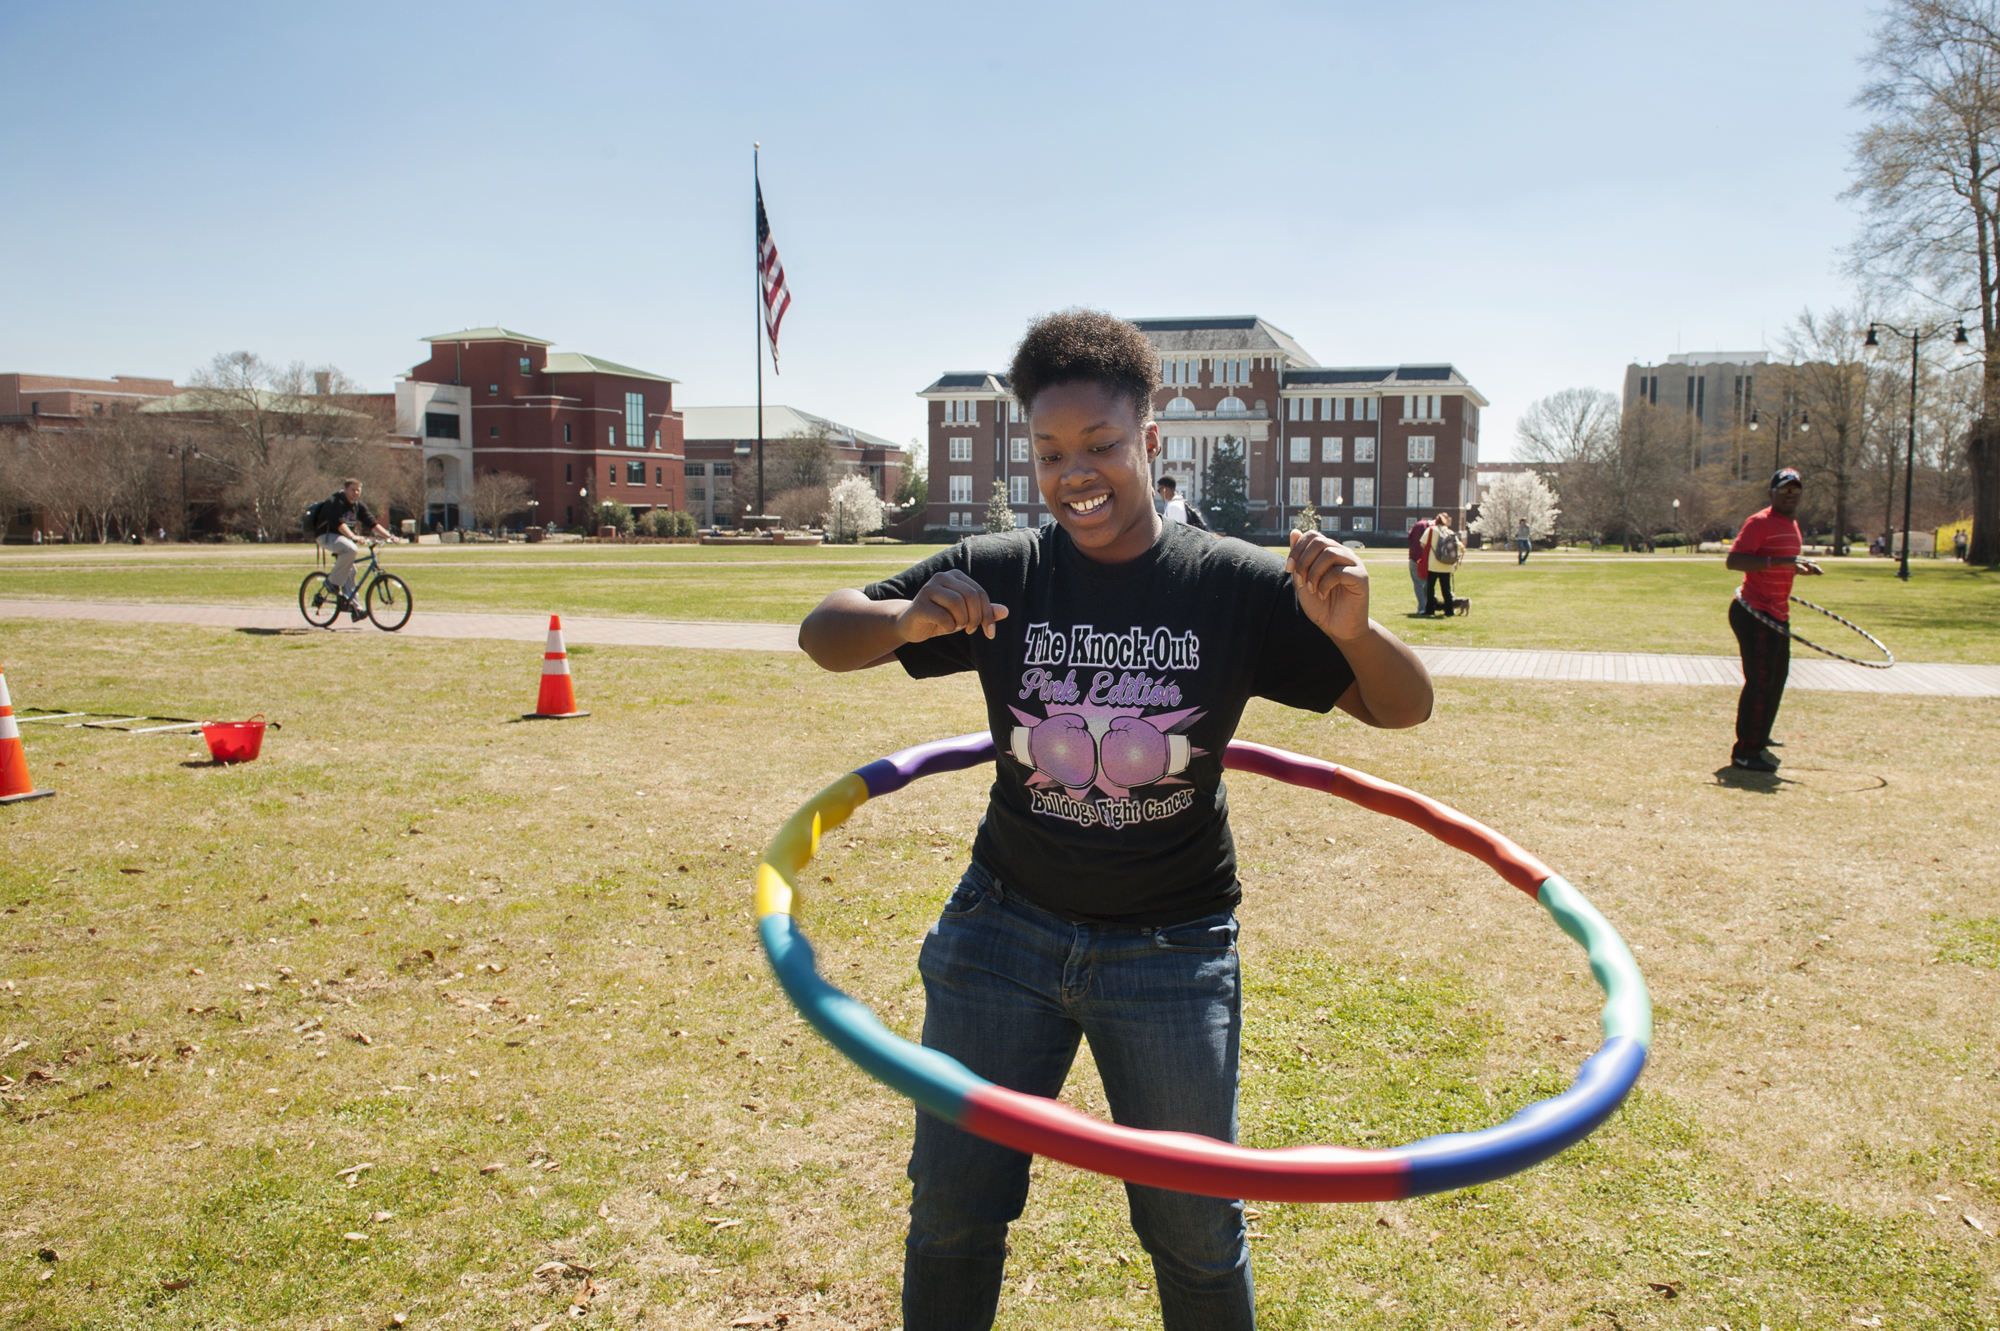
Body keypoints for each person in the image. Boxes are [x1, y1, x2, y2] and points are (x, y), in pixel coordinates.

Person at [798, 310, 1434, 1331]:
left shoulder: (1228, 583)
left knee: (1193, 1229)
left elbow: (1401, 705)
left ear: (1149, 442)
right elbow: (824, 631)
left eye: (1099, 444)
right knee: (952, 1213)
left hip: (1172, 949)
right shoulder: (1000, 575)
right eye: (1049, 451)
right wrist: (905, 619)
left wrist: (1357, 632)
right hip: (999, 933)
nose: (1073, 472)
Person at [1724, 468, 1821, 772]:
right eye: (1784, 489)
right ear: (1771, 493)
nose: (1790, 494)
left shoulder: (1792, 525)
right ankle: (1745, 752)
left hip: (1778, 612)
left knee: (1777, 679)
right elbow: (1735, 560)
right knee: (1760, 682)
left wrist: (1797, 568)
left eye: (1796, 490)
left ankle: (1760, 736)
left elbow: (1781, 562)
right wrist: (1779, 561)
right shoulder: (1760, 522)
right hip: (1755, 612)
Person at [317, 478, 398, 621]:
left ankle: (355, 608)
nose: (356, 493)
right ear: (345, 490)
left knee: (351, 570)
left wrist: (389, 536)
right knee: (351, 549)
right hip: (326, 535)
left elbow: (372, 523)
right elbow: (338, 523)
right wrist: (353, 536)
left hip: (344, 538)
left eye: (358, 490)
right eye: (353, 489)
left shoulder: (358, 506)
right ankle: (331, 582)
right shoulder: (335, 502)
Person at [1423, 512, 1461, 616]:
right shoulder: (1449, 531)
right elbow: (1460, 547)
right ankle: (1449, 610)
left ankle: (1430, 610)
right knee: (1446, 589)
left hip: (1434, 564)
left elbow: (1423, 543)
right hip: (1447, 565)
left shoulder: (1431, 530)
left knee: (1430, 588)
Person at [1406, 514, 1432, 614]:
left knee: (1418, 584)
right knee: (1426, 584)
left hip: (1414, 558)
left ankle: (1422, 607)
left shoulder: (1417, 525)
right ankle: (1428, 606)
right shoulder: (1432, 528)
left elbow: (1409, 537)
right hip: (1426, 560)